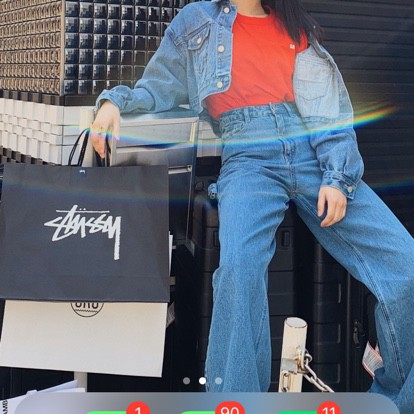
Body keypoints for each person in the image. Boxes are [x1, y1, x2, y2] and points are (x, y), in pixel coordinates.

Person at [90, 0, 414, 412]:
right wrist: (113, 102)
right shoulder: (197, 21)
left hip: (313, 153)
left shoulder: (295, 26)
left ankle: (396, 400)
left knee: (405, 263)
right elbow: (157, 87)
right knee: (238, 270)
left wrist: (337, 176)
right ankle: (236, 403)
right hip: (248, 156)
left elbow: (328, 111)